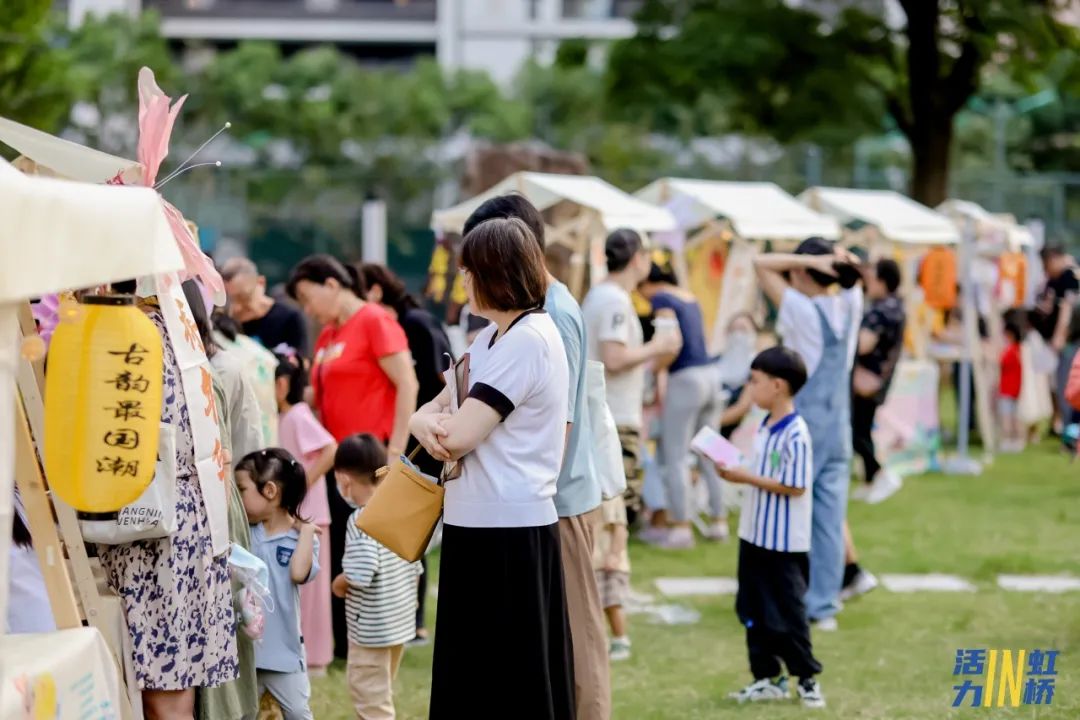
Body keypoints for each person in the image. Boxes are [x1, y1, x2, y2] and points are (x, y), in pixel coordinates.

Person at [409, 217, 574, 719]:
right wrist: (426, 423)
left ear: (495, 273)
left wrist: (434, 426)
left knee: (510, 683)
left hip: (510, 528)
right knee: (475, 678)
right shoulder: (489, 341)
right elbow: (429, 412)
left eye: (469, 271)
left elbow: (456, 435)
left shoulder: (529, 339)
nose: (462, 282)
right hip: (477, 522)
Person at [462, 194, 609, 720]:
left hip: (557, 499)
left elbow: (560, 426)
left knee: (574, 639)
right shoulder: (526, 317)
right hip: (542, 497)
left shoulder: (551, 317)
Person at [96, 291, 238, 720]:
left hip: (155, 526)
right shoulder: (178, 335)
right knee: (175, 689)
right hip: (187, 520)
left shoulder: (134, 334)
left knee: (166, 692)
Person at [287, 254, 419, 659]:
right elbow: (320, 397)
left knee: (374, 545)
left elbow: (407, 384)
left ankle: (385, 633)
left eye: (309, 298)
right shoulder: (327, 336)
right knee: (346, 545)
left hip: (372, 457)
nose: (308, 310)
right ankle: (346, 640)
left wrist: (395, 452)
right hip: (337, 462)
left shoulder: (375, 321)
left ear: (332, 284)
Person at [754, 238, 862, 631]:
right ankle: (824, 605)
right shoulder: (850, 304)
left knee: (786, 512)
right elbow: (856, 275)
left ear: (802, 270)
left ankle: (785, 596)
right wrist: (841, 260)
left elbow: (761, 263)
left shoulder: (801, 309)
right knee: (830, 520)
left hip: (806, 431)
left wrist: (806, 259)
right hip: (839, 427)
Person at [713, 347, 824, 708]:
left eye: (755, 381)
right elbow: (765, 470)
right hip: (754, 535)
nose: (750, 388)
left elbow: (794, 484)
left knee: (788, 612)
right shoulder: (764, 425)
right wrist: (732, 464)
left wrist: (743, 476)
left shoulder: (796, 433)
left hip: (784, 543)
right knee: (752, 608)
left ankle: (806, 678)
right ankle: (766, 676)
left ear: (778, 386)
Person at [359, 262, 452, 644]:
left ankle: (415, 620)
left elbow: (440, 377)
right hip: (424, 432)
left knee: (414, 521)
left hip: (428, 436)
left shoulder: (414, 323)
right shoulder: (410, 320)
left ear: (376, 292)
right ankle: (406, 617)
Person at [582, 229, 683, 528]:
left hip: (604, 410)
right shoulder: (615, 301)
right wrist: (658, 346)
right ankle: (609, 569)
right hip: (616, 414)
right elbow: (614, 358)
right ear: (638, 259)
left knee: (607, 507)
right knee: (617, 511)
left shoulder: (599, 294)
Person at [331, 434, 422, 720]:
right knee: (378, 693)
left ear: (344, 480)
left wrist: (339, 583)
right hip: (398, 624)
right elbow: (415, 564)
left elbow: (360, 573)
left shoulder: (360, 520)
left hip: (370, 631)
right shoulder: (397, 509)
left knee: (371, 702)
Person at [639, 262, 728, 549]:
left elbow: (670, 343)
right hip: (711, 375)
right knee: (712, 450)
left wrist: (654, 371)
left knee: (676, 454)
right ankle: (719, 520)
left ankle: (681, 527)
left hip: (686, 379)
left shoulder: (661, 299)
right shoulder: (689, 295)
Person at [236, 448, 320, 720]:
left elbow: (298, 573)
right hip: (246, 654)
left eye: (242, 489)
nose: (237, 498)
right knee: (243, 714)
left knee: (297, 712)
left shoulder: (303, 540)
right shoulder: (246, 533)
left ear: (269, 490)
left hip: (284, 654)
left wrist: (306, 532)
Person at [275, 348, 338, 674]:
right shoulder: (285, 417)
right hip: (299, 516)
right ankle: (306, 653)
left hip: (312, 516)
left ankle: (317, 658)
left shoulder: (298, 414)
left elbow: (330, 448)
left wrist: (304, 483)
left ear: (282, 384)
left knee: (313, 591)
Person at [851, 258, 906, 505]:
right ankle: (870, 479)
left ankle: (879, 473)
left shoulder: (880, 310)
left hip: (866, 377)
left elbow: (863, 344)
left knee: (857, 429)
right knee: (862, 427)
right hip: (880, 377)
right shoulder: (896, 307)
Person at [1031, 246, 1078, 432]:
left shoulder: (1070, 276)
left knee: (1067, 384)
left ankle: (1070, 432)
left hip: (1070, 341)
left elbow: (1067, 307)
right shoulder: (1055, 280)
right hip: (1064, 341)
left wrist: (1059, 335)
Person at [223, 257, 310, 356]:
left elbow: (303, 361)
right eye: (233, 299)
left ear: (261, 282)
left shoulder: (288, 318)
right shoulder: (227, 323)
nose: (240, 305)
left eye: (245, 297)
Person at [592, 494, 631, 662]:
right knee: (596, 606)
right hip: (593, 563)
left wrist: (614, 555)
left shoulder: (612, 498)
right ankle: (602, 642)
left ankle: (620, 639)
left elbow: (620, 529)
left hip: (610, 564)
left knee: (613, 603)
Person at [999, 318, 1024, 452]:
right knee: (1014, 416)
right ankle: (1017, 440)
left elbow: (1001, 361)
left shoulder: (1011, 350)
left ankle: (1008, 440)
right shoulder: (1019, 350)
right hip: (1015, 389)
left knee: (1007, 417)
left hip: (1008, 389)